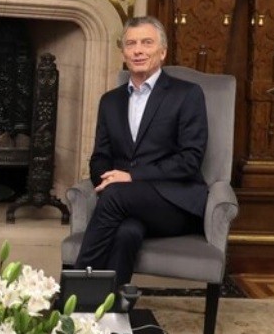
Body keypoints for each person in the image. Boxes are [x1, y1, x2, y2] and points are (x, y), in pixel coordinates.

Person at [74, 16, 207, 285]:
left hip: (175, 202)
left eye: (147, 43)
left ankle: (72, 292)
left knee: (115, 196)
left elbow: (190, 160)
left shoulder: (187, 94)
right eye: (131, 44)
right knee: (127, 232)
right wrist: (106, 179)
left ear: (163, 51)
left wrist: (131, 177)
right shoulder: (110, 101)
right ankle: (112, 305)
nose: (138, 50)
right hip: (125, 203)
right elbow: (100, 156)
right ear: (123, 53)